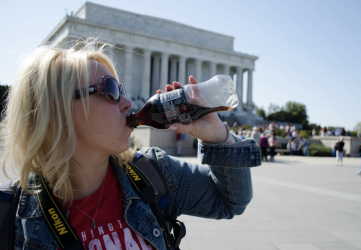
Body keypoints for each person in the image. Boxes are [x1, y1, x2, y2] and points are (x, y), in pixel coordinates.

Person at [0, 41, 260, 249]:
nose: (126, 102)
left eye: (122, 89)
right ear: (60, 114)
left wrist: (219, 136)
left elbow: (231, 202)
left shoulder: (154, 173)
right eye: (111, 90)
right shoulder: (12, 219)